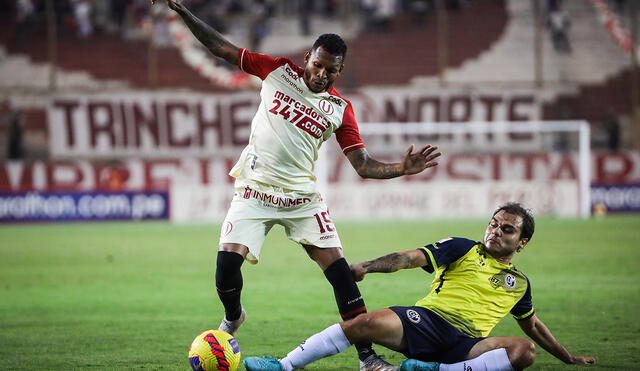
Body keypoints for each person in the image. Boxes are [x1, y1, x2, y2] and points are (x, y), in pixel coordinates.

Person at [150, 1, 442, 370]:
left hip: (303, 200)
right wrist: (182, 11)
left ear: (340, 70)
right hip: (254, 191)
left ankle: (368, 357)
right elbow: (221, 49)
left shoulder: (339, 109)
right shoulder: (277, 71)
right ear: (308, 57)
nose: (321, 74)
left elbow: (363, 166)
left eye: (330, 70)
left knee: (341, 275)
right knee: (225, 269)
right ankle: (234, 316)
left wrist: (401, 168)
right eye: (317, 65)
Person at [243, 202, 596, 371]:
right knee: (361, 324)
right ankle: (284, 366)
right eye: (493, 224)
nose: (495, 231)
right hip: (425, 323)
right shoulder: (463, 247)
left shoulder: (519, 284)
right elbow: (411, 258)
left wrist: (567, 356)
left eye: (507, 229)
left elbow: (532, 326)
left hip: (470, 345)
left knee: (523, 352)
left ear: (522, 242)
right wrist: (368, 266)